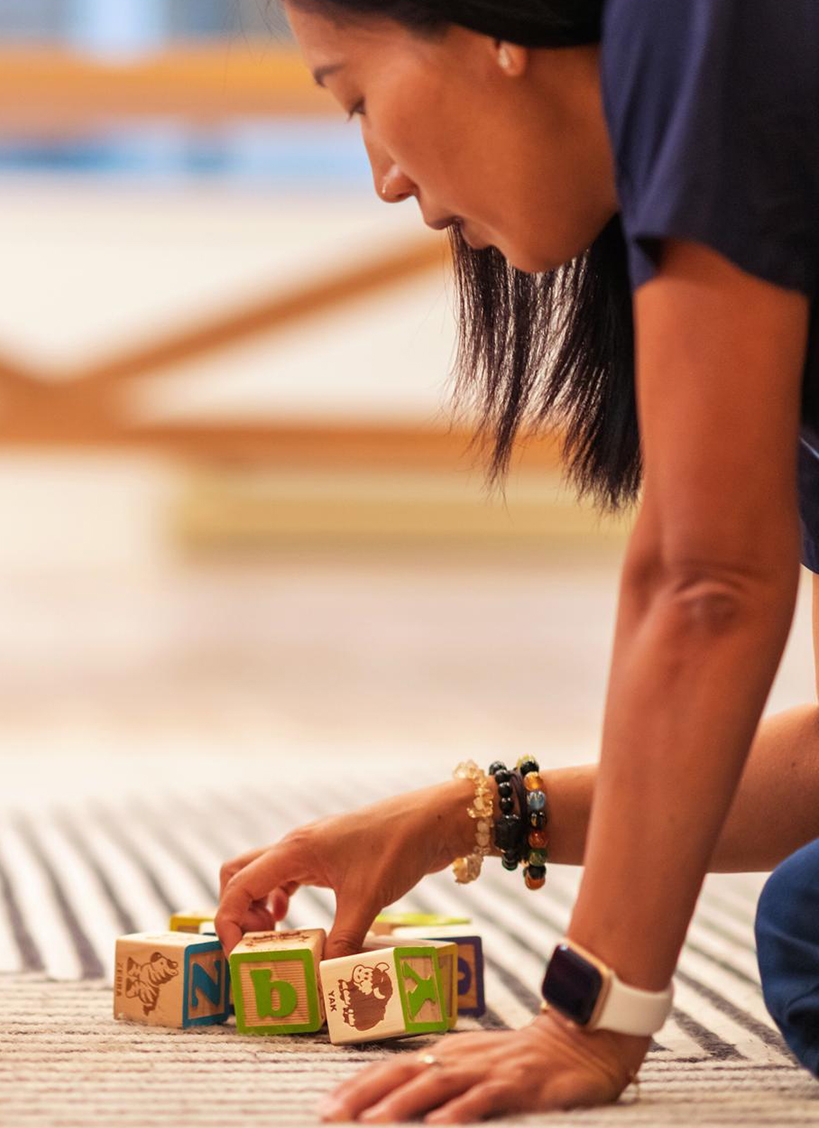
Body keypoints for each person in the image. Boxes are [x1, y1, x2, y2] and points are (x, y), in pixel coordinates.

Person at [212, 1, 819, 1121]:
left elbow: (705, 582)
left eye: (355, 96)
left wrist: (587, 1022)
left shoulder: (706, 28)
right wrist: (468, 814)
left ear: (492, 32)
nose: (384, 178)